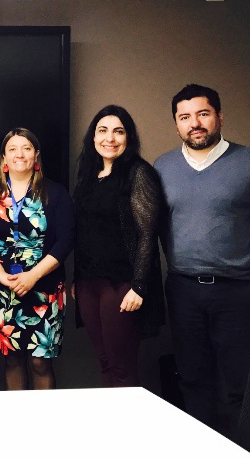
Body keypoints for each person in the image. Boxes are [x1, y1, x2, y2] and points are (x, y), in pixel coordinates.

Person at [154, 84, 250, 438]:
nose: (194, 123)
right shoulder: (163, 167)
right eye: (185, 117)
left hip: (238, 293)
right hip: (183, 291)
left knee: (240, 388)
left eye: (203, 114)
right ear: (176, 124)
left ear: (219, 116)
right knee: (192, 382)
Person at [0, 127, 74, 390]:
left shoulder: (55, 192)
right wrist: (2, 276)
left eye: (26, 148)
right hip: (3, 290)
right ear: (4, 158)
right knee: (12, 360)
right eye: (13, 149)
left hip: (44, 289)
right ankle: (18, 424)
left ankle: (43, 426)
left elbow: (65, 241)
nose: (20, 154)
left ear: (36, 155)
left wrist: (32, 276)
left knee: (41, 363)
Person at [72, 105, 165, 387]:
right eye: (103, 131)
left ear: (128, 138)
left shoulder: (138, 174)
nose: (110, 138)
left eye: (118, 131)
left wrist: (139, 286)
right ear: (93, 137)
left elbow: (149, 234)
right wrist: (77, 278)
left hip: (123, 284)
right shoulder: (89, 177)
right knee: (104, 362)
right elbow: (85, 233)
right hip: (89, 283)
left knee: (122, 366)